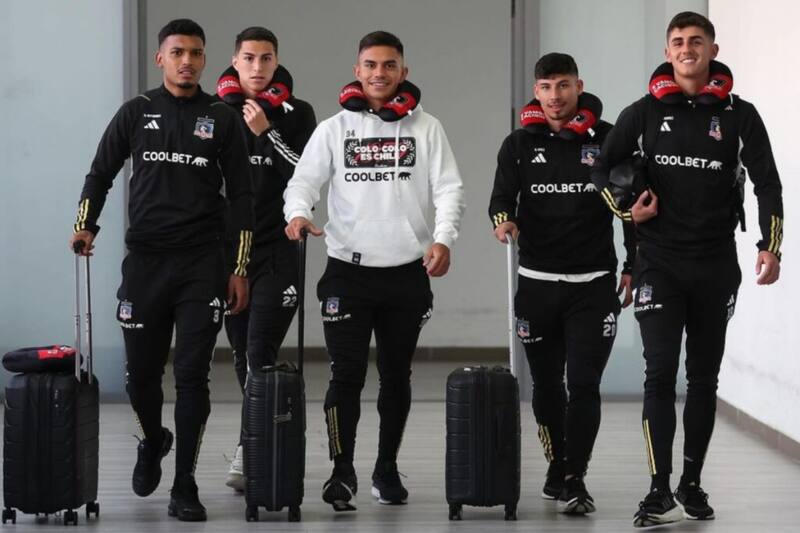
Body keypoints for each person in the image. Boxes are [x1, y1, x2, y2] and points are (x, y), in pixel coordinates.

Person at [590, 11, 783, 527]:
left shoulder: (741, 116)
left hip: (716, 264)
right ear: (668, 51)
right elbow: (600, 168)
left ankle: (691, 484)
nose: (686, 49)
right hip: (659, 263)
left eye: (695, 41)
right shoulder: (644, 112)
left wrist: (772, 245)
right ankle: (657, 490)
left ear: (713, 49)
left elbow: (769, 183)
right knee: (658, 375)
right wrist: (627, 211)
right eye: (677, 42)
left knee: (703, 378)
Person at [69, 18, 254, 522]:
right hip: (146, 262)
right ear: (161, 59)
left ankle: (186, 484)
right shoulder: (136, 112)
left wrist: (238, 269)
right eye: (178, 52)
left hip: (201, 263)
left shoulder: (222, 117)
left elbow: (242, 197)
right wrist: (86, 225)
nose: (188, 61)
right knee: (141, 379)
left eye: (196, 53)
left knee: (192, 376)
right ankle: (153, 439)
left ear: (204, 58)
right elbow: (100, 172)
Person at [283, 30, 465, 512]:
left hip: (406, 274)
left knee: (396, 377)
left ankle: (385, 469)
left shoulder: (427, 128)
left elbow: (449, 189)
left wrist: (443, 239)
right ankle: (342, 472)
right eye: (370, 65)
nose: (379, 74)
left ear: (403, 72)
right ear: (356, 71)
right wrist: (298, 214)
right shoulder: (333, 129)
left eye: (389, 65)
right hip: (348, 272)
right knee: (345, 376)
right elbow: (302, 182)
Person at [489, 52, 634, 516]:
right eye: (547, 87)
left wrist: (633, 264)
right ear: (537, 91)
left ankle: (575, 475)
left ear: (579, 86)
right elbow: (499, 200)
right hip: (536, 284)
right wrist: (503, 221)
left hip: (593, 284)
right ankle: (557, 463)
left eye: (564, 86)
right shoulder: (517, 144)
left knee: (585, 384)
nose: (555, 96)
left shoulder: (608, 139)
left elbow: (630, 204)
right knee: (548, 386)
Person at [215, 26, 316, 492]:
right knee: (243, 357)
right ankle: (258, 436)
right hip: (230, 254)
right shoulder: (214, 111)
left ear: (277, 62)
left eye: (266, 58)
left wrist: (266, 132)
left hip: (279, 248)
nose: (257, 67)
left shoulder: (299, 113)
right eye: (249, 58)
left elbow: (306, 175)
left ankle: (249, 448)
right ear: (235, 61)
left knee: (260, 350)